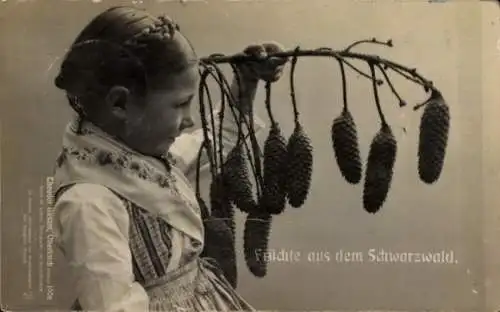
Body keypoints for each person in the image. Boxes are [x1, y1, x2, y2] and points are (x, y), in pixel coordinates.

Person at [51, 5, 288, 312]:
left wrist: (243, 87)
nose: (189, 120)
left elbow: (214, 142)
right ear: (120, 103)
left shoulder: (140, 156)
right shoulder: (89, 203)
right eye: (181, 104)